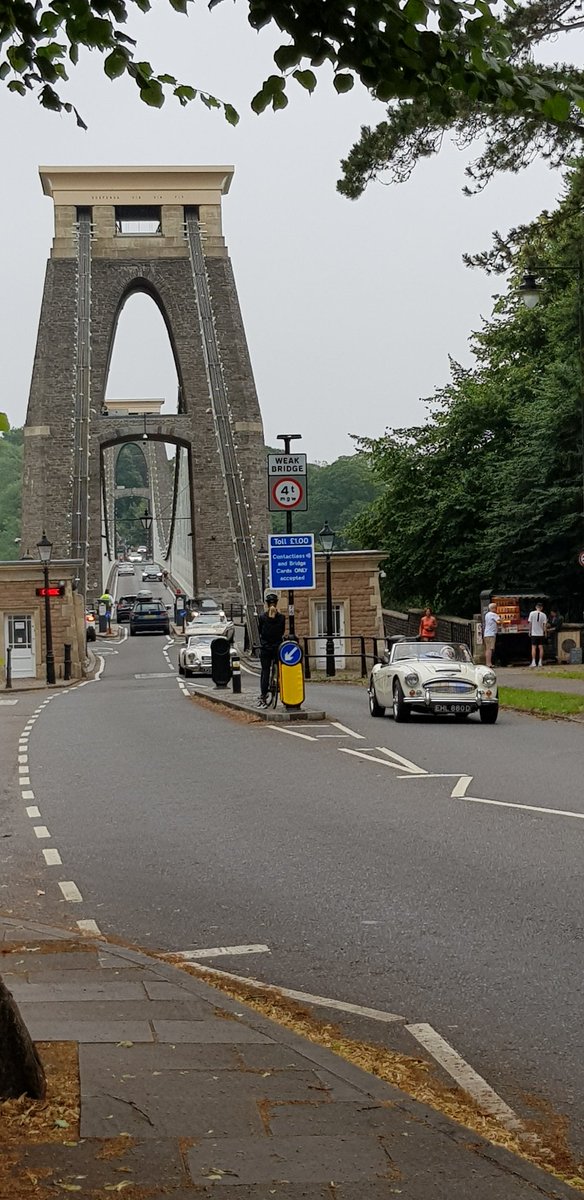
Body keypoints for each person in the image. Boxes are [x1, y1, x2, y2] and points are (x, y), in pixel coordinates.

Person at [258, 591, 286, 706]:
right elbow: (282, 632)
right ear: (276, 603)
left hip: (265, 647)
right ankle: (281, 688)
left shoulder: (262, 617)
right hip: (277, 647)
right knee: (280, 669)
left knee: (265, 671)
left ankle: (263, 695)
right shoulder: (282, 618)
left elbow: (260, 632)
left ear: (267, 604)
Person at [528, 600, 548, 668]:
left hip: (534, 633)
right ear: (541, 608)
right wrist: (545, 632)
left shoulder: (531, 613)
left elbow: (530, 623)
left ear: (536, 607)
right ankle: (540, 662)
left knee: (533, 647)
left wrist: (529, 631)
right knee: (541, 647)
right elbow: (544, 625)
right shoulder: (544, 615)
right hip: (541, 633)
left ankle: (533, 662)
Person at [482, 602, 501, 668]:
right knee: (490, 649)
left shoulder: (487, 615)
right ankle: (489, 663)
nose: (496, 609)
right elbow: (498, 621)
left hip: (486, 633)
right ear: (493, 608)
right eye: (496, 608)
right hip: (491, 634)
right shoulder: (494, 615)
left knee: (487, 649)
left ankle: (488, 662)